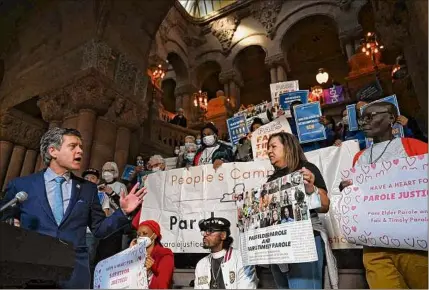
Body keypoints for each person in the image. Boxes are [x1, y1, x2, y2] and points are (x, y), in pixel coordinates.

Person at [1, 127, 146, 288]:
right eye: (73, 146)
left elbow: (99, 229)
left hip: (74, 274)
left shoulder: (88, 189)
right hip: (33, 271)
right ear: (53, 151)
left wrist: (123, 212)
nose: (80, 151)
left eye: (81, 147)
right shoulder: (21, 186)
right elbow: (5, 220)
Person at [340, 101, 428, 289]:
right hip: (374, 245)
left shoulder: (414, 147)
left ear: (391, 119)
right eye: (361, 118)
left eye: (370, 117)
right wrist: (348, 190)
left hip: (415, 243)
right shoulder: (360, 157)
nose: (363, 122)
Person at [266, 132, 337, 289]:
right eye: (268, 148)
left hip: (304, 240)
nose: (269, 151)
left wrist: (312, 189)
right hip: (279, 245)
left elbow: (325, 206)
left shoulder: (306, 169)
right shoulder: (270, 181)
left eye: (273, 146)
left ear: (288, 147)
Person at [194, 217, 258, 289]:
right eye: (204, 231)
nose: (205, 234)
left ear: (223, 235)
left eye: (210, 231)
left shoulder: (242, 259)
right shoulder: (201, 265)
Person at [130, 211, 174, 289]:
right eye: (139, 234)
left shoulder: (165, 255)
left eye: (145, 233)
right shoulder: (136, 254)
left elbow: (163, 284)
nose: (141, 237)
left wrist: (151, 270)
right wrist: (130, 254)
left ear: (154, 236)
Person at [96, 161, 129, 261]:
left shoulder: (120, 186)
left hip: (115, 225)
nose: (107, 172)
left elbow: (125, 206)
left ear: (115, 172)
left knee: (111, 254)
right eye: (105, 170)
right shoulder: (99, 187)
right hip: (100, 224)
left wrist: (111, 193)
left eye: (110, 170)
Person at [81, 168, 108, 282]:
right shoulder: (77, 191)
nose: (89, 180)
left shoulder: (102, 195)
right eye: (86, 178)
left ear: (97, 181)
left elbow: (105, 214)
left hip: (90, 233)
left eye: (92, 178)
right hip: (75, 231)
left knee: (88, 261)